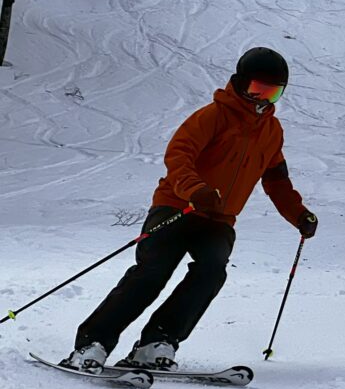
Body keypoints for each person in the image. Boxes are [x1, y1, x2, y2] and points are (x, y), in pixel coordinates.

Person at [60, 47, 318, 372]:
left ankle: (157, 342)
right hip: (177, 207)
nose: (263, 98)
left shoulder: (271, 132)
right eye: (257, 89)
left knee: (211, 272)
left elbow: (277, 181)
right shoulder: (213, 115)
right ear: (239, 83)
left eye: (273, 91)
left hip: (219, 220)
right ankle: (91, 344)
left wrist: (299, 215)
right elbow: (178, 156)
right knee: (152, 274)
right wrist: (195, 190)